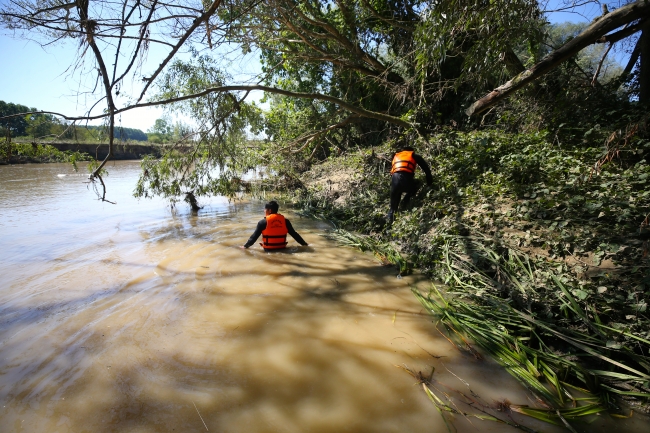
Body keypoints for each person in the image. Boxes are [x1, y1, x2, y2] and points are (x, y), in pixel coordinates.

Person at [387, 146, 433, 223]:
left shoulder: (396, 156)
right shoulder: (414, 156)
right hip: (406, 182)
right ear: (412, 151)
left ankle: (389, 222)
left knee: (393, 207)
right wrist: (429, 183)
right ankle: (405, 201)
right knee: (416, 184)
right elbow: (427, 170)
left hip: (394, 183)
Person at [241, 201, 309, 250]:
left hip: (268, 251)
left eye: (265, 209)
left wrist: (245, 246)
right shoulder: (285, 221)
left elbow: (254, 237)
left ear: (269, 210)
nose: (264, 211)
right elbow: (295, 235)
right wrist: (305, 244)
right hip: (282, 249)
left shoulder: (262, 222)